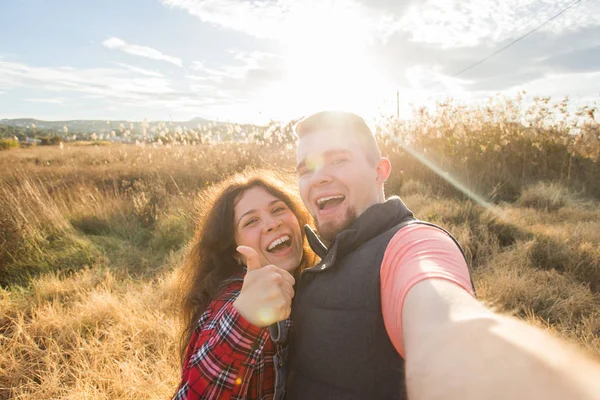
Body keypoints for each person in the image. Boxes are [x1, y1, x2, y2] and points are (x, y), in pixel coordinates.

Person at [286, 111, 600, 400]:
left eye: (338, 160)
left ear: (380, 171)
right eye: (306, 169)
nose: (318, 178)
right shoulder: (320, 255)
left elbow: (449, 325)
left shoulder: (410, 244)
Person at [173, 169, 315, 400]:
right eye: (251, 221)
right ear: (235, 253)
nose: (272, 223)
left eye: (278, 209)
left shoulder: (304, 280)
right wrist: (246, 316)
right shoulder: (232, 298)